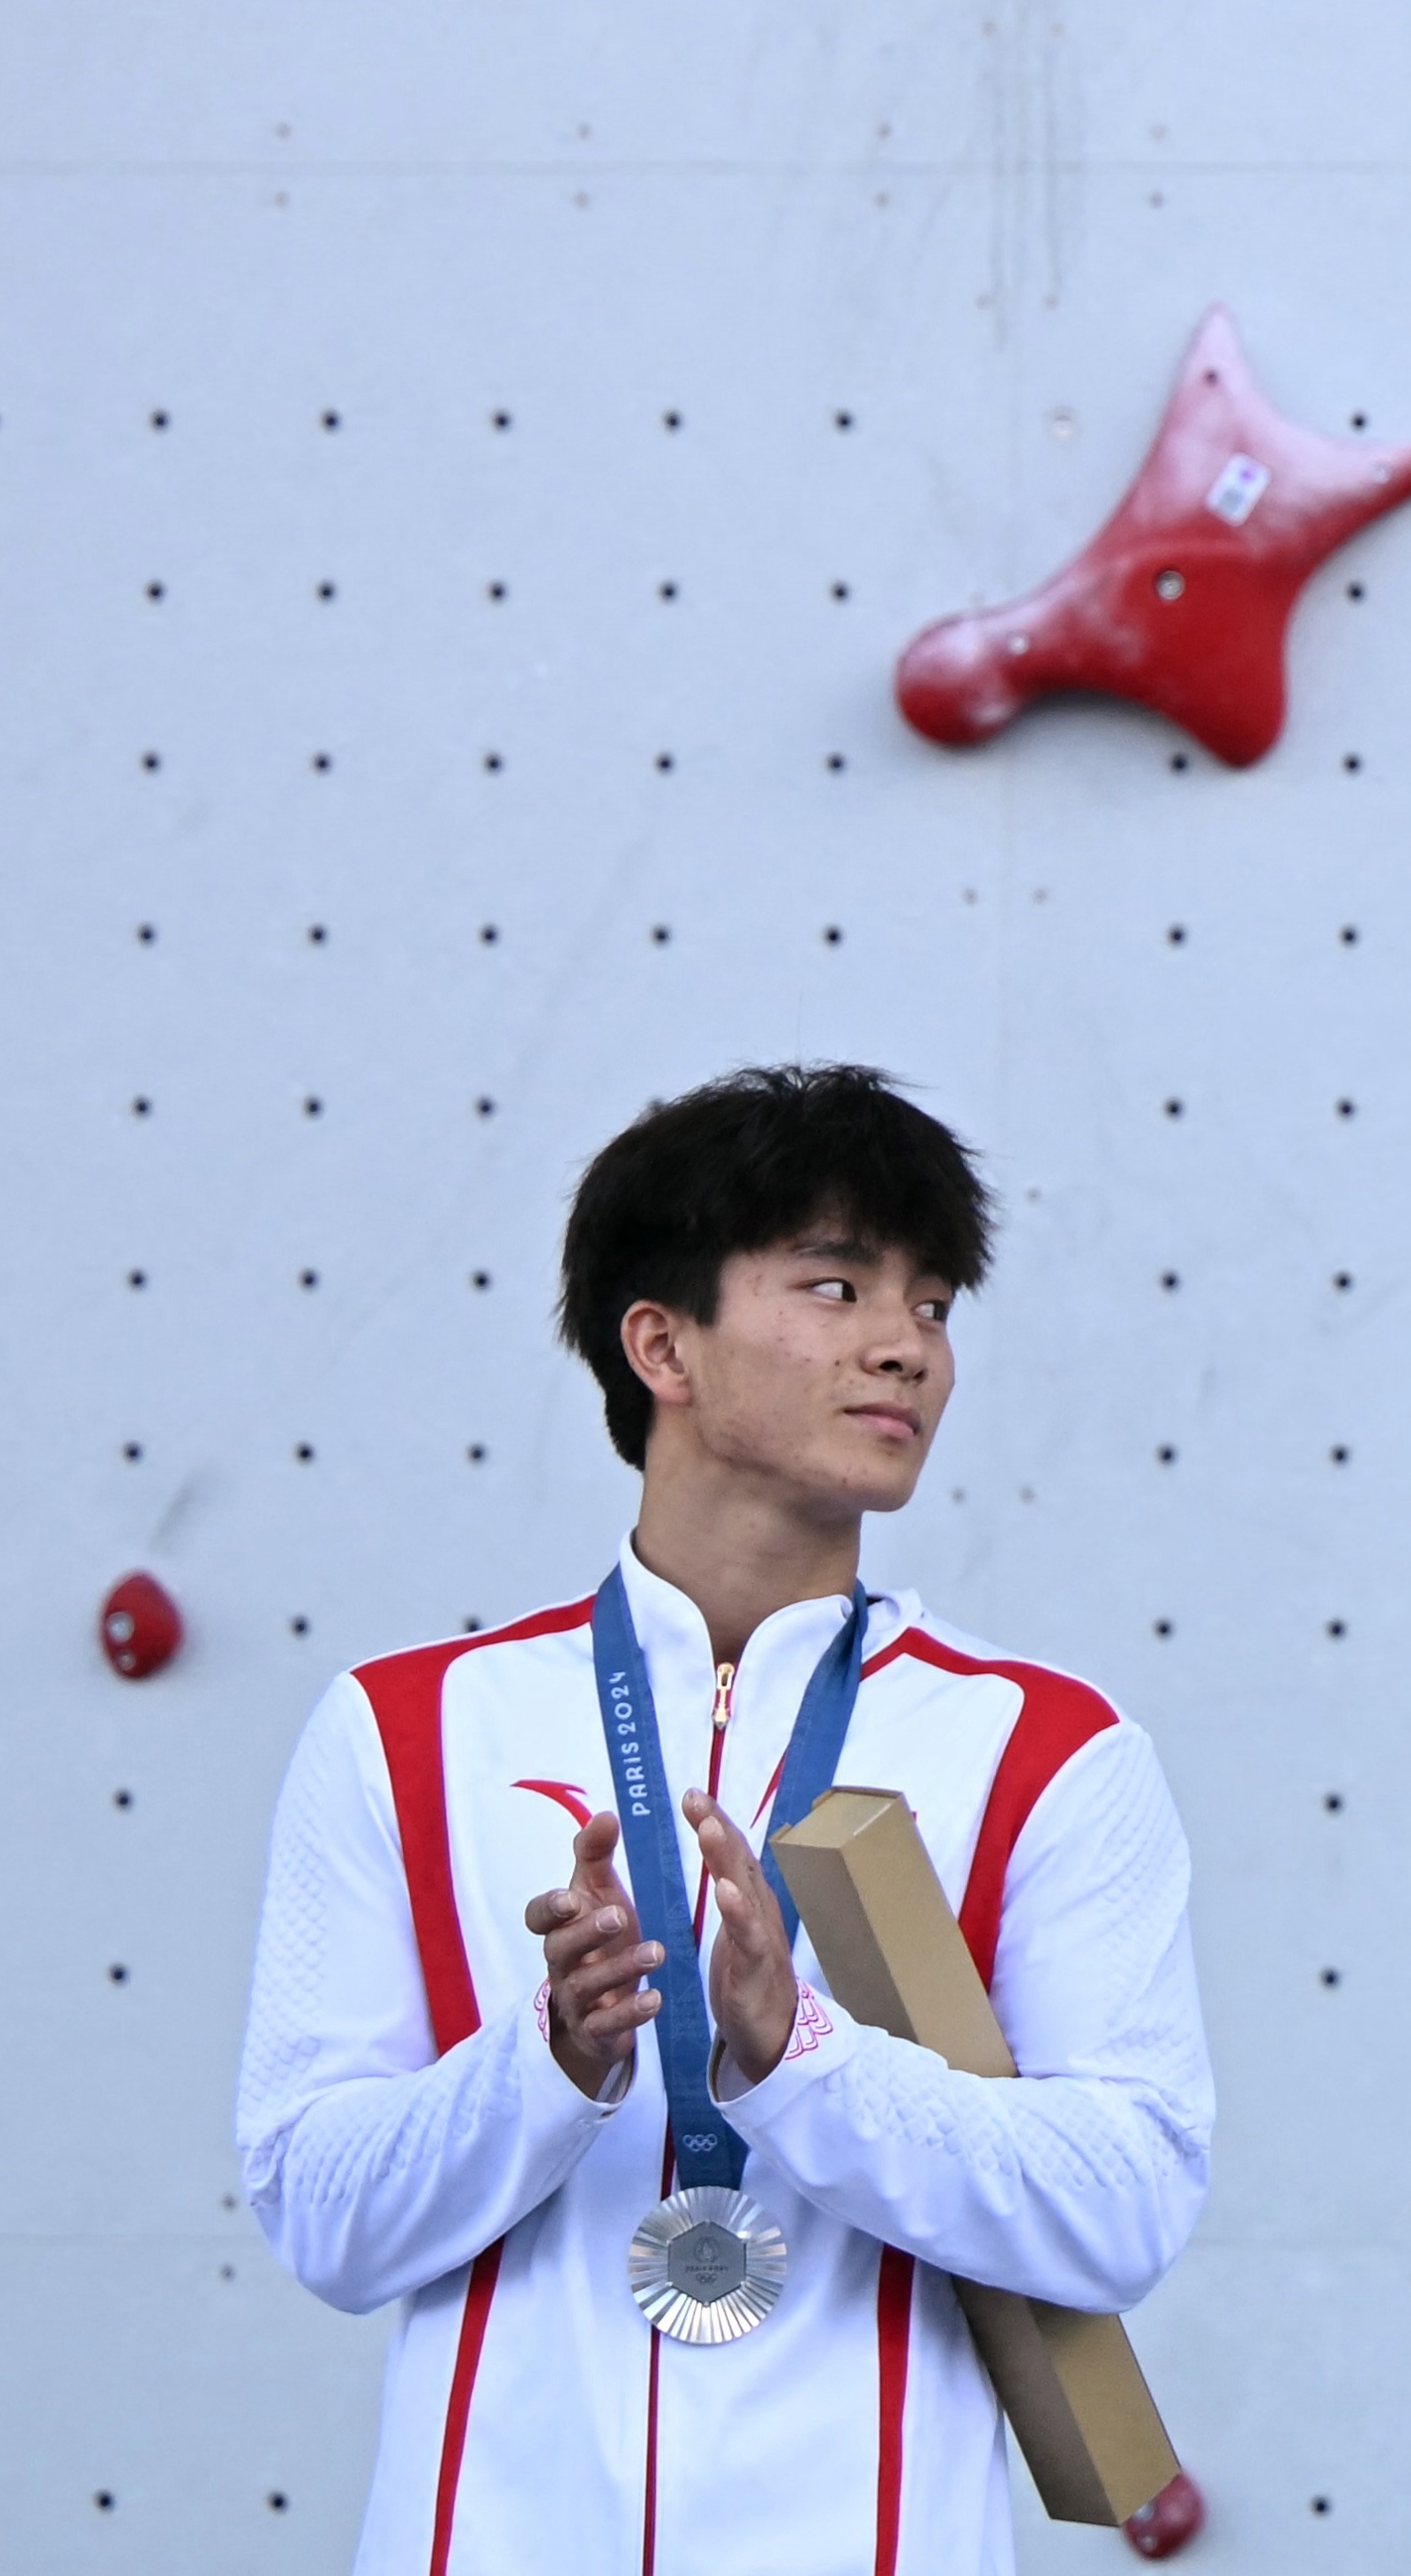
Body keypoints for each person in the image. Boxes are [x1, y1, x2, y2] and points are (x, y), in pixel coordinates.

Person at [235, 1064, 1214, 2573]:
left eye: (937, 1307)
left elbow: (1127, 2209)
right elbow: (321, 2218)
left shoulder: (1048, 1747)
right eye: (836, 1287)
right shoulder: (408, 1728)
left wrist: (796, 2056)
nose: (907, 1349)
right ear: (661, 1344)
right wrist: (549, 2061)